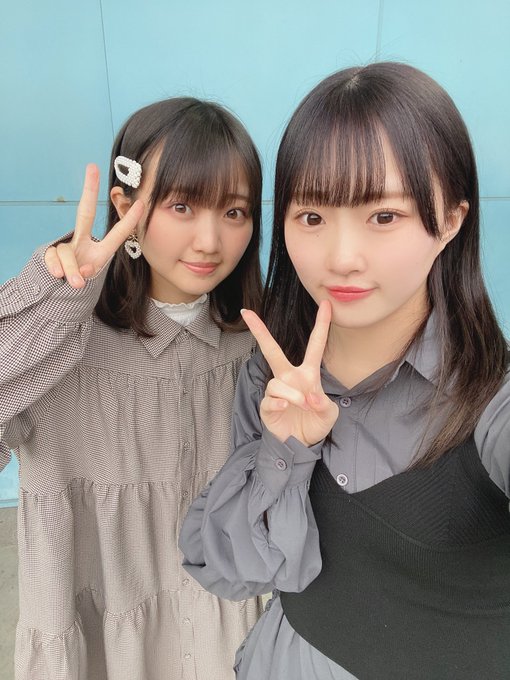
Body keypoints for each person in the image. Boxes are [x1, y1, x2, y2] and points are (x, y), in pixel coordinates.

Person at [179, 62, 510, 680]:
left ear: (451, 220)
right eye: (312, 217)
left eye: (384, 216)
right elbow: (232, 572)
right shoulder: (270, 381)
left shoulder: (492, 400)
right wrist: (284, 450)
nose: (342, 257)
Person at [0, 97, 264, 680]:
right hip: (100, 635)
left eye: (235, 211)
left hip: (220, 630)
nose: (209, 240)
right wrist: (55, 302)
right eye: (181, 205)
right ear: (127, 208)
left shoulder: (253, 346)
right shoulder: (65, 343)